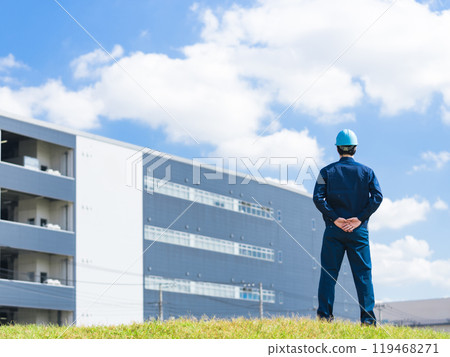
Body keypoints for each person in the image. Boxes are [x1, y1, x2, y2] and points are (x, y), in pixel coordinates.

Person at [313, 129, 382, 326]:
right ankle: (368, 321)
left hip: (334, 231)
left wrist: (335, 218)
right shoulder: (367, 172)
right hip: (358, 232)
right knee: (363, 275)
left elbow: (317, 197)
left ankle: (324, 318)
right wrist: (359, 219)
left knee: (328, 273)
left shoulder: (325, 172)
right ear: (355, 148)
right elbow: (377, 197)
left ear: (337, 148)